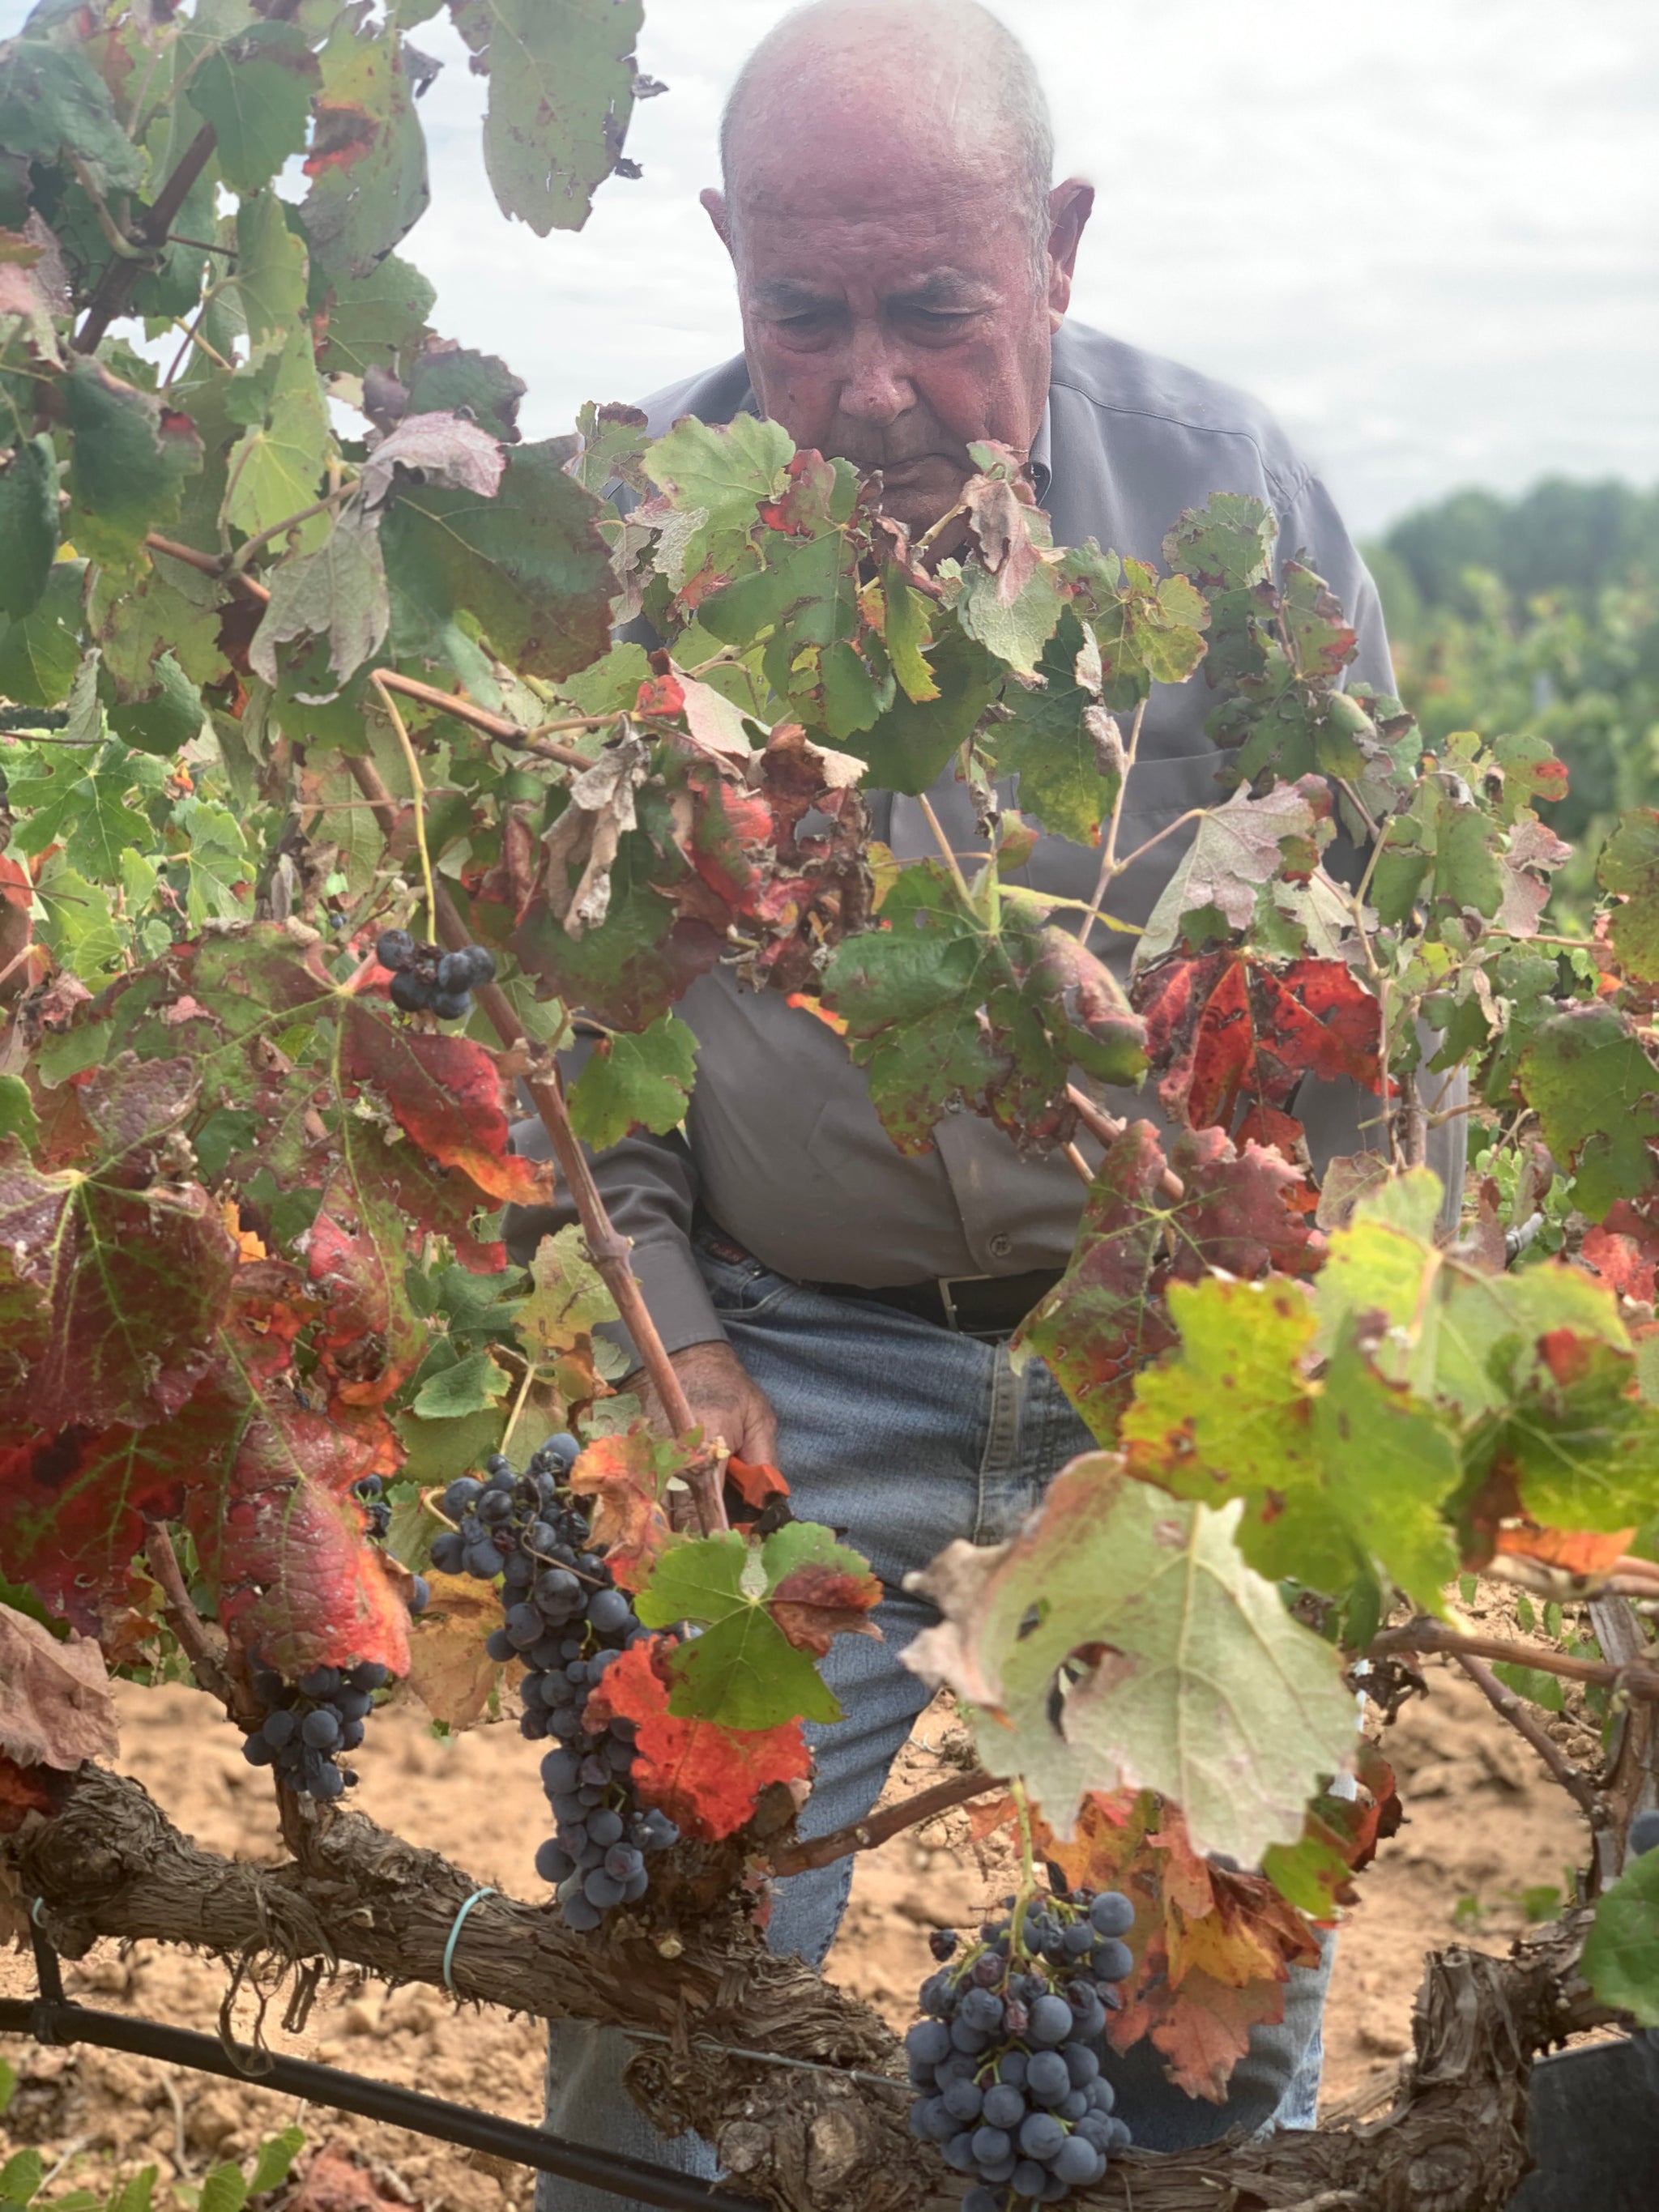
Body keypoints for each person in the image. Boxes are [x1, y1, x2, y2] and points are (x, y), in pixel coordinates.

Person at [506, 3, 1463, 2202]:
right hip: (785, 1362)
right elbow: (590, 1051)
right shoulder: (631, 544)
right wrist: (682, 1351)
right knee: (656, 2024)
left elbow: (1368, 1023)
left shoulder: (1242, 519)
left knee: (1198, 2038)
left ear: (1057, 248)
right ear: (726, 248)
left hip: (1154, 1391)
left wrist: (1257, 1404)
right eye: (799, 314)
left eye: (935, 311)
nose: (865, 391)